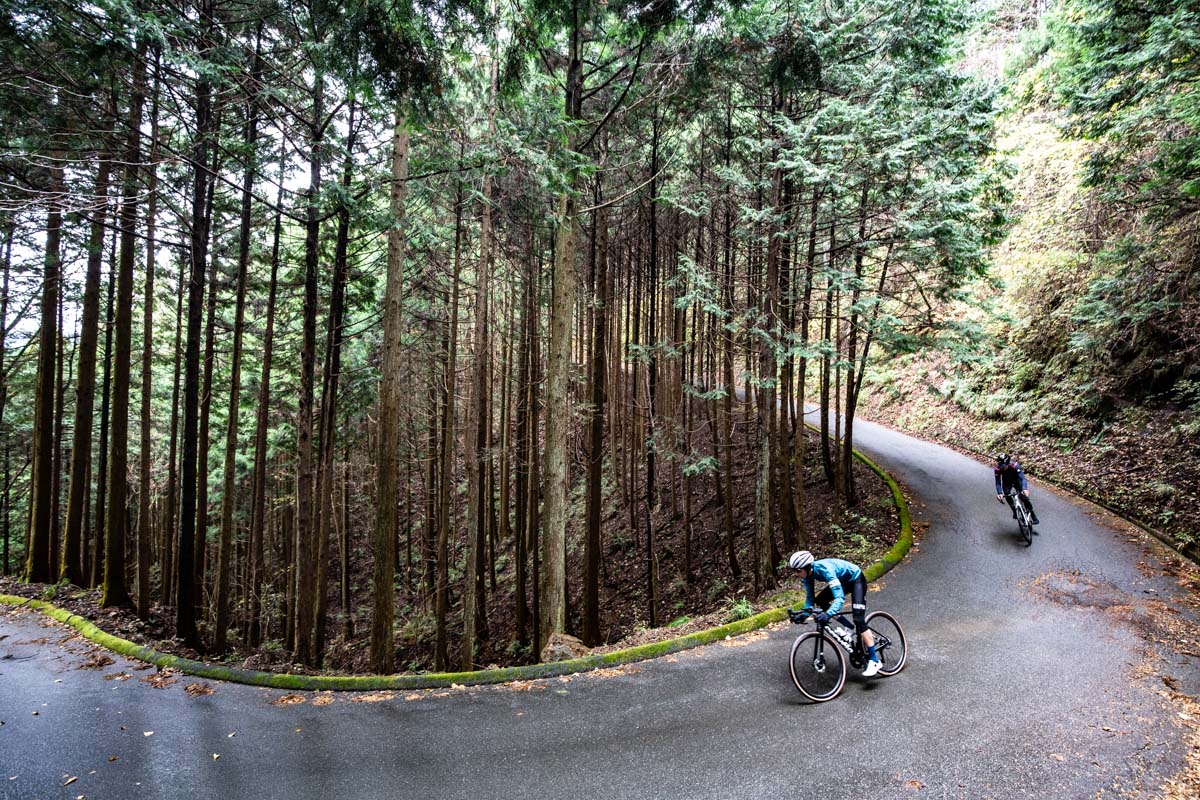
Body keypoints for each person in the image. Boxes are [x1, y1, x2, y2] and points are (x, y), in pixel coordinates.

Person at [786, 550, 882, 677]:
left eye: (798, 570)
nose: (796, 574)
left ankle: (874, 661)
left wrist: (828, 614)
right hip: (842, 581)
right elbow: (810, 599)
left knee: (859, 619)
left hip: (856, 579)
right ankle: (848, 626)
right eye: (794, 571)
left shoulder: (825, 570)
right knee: (820, 601)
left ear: (808, 567)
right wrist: (803, 615)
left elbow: (839, 598)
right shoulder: (807, 576)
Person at [994, 453, 1039, 526]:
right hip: (1007, 482)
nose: (1002, 467)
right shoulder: (997, 469)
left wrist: (1025, 489)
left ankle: (1033, 516)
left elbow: (1023, 478)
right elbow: (998, 482)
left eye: (1003, 465)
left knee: (1024, 496)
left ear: (1008, 464)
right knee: (1007, 494)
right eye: (1000, 465)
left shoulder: (1015, 466)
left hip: (1017, 480)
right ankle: (1014, 511)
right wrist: (999, 493)